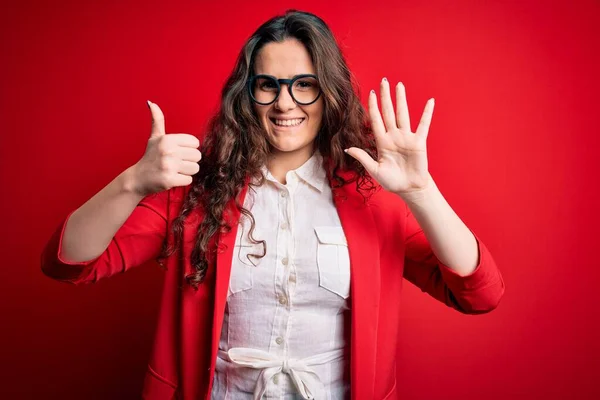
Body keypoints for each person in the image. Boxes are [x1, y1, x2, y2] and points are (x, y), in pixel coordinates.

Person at [41, 9, 505, 400]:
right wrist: (133, 183)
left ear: (330, 92)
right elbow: (68, 263)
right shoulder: (198, 193)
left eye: (305, 84)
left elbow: (480, 294)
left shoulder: (374, 200)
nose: (285, 103)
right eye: (268, 85)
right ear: (248, 94)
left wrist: (421, 193)